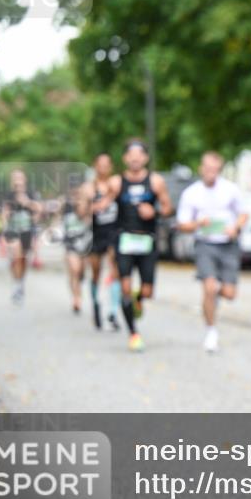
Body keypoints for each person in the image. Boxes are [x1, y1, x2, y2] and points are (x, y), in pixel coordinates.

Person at [94, 140, 172, 352]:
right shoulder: (116, 182)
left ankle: (139, 298)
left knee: (147, 291)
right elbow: (103, 204)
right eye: (131, 155)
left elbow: (168, 208)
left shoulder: (155, 181)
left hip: (147, 241)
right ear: (125, 158)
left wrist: (154, 212)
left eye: (139, 155)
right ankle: (134, 334)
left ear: (146, 158)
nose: (135, 159)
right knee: (125, 287)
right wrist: (94, 207)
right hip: (124, 241)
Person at [176, 151, 248, 353]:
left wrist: (235, 227)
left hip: (228, 244)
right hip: (205, 244)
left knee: (229, 294)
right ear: (201, 169)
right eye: (207, 169)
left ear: (219, 170)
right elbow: (182, 224)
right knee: (209, 287)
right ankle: (211, 331)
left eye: (214, 169)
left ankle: (214, 297)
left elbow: (244, 213)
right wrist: (198, 223)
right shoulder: (191, 193)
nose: (211, 173)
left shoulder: (230, 189)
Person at [84, 153, 122, 331]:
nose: (104, 168)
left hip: (114, 233)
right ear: (95, 166)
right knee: (96, 272)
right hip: (96, 234)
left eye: (107, 164)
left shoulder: (117, 184)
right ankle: (96, 303)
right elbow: (81, 212)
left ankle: (113, 312)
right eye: (100, 164)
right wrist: (92, 207)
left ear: (111, 166)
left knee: (115, 269)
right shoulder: (88, 188)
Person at [2, 169, 43, 305]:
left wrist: (27, 202)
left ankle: (20, 283)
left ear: (24, 180)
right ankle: (17, 284)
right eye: (15, 178)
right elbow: (5, 212)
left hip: (27, 231)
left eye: (19, 178)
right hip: (13, 231)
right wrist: (5, 223)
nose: (17, 181)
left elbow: (39, 209)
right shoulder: (9, 195)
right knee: (16, 257)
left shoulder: (31, 193)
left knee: (23, 260)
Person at [61, 185, 92, 314]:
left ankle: (77, 288)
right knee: (75, 270)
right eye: (74, 195)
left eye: (78, 194)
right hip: (71, 244)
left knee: (81, 273)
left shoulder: (88, 207)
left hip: (85, 244)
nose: (76, 198)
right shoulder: (66, 207)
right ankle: (76, 299)